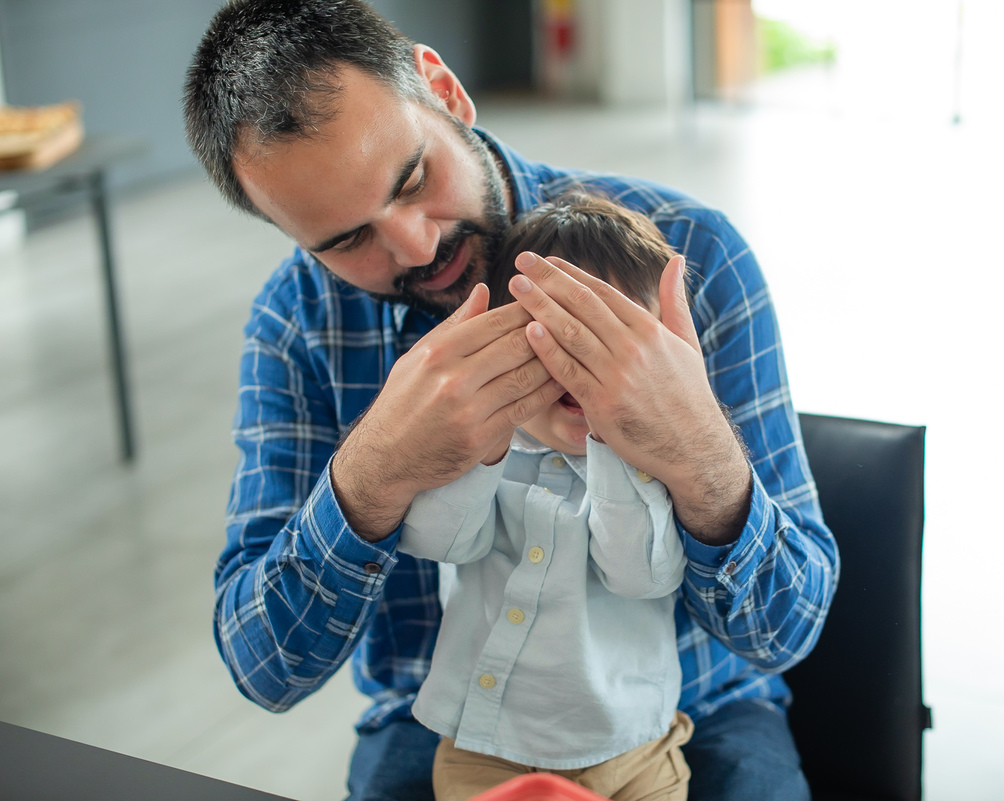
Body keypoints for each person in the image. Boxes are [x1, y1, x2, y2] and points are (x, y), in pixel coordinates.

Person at [182, 2, 839, 800]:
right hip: (443, 720)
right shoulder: (299, 324)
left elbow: (787, 628)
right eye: (346, 241)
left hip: (697, 709)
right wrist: (373, 475)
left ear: (445, 92)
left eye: (414, 178)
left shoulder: (686, 252)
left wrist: (697, 450)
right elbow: (265, 668)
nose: (416, 248)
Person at [405, 192, 694, 801]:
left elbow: (641, 573)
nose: (579, 362)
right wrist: (484, 432)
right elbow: (439, 541)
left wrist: (618, 432)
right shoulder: (488, 444)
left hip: (635, 751)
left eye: (609, 341)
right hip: (485, 749)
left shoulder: (657, 462)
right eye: (557, 333)